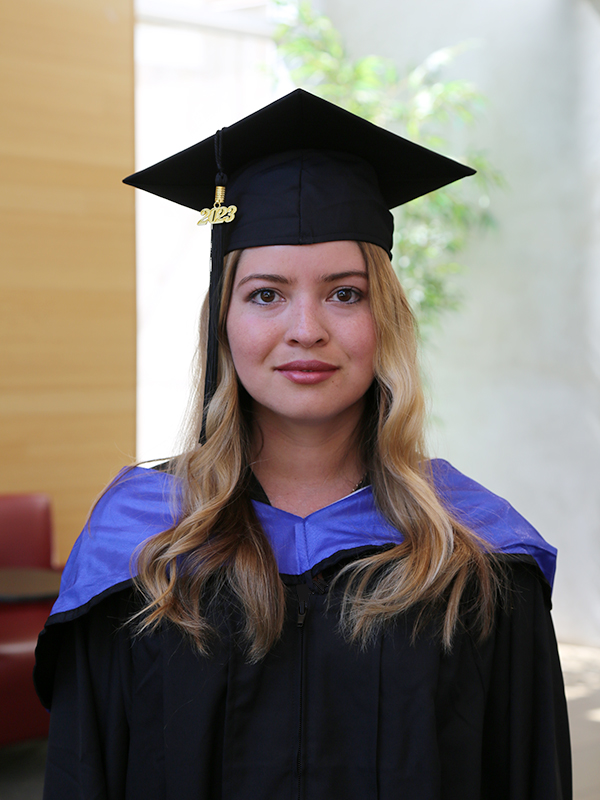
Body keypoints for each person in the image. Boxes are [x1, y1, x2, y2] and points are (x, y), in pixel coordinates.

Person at [35, 89, 571, 800]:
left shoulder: (474, 552)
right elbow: (85, 774)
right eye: (266, 294)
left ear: (384, 318)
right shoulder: (142, 547)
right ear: (221, 321)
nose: (306, 329)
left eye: (344, 293)